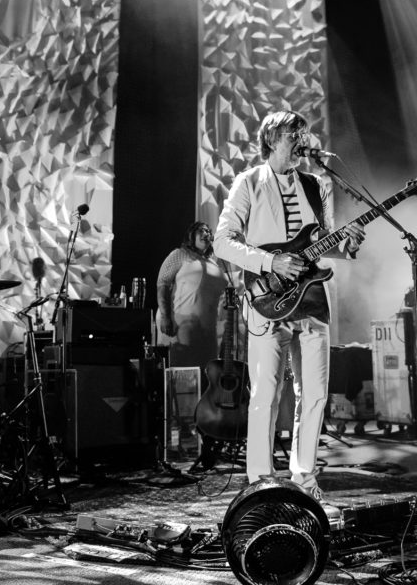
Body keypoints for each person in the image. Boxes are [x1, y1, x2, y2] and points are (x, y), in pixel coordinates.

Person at [213, 109, 365, 510]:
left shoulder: (317, 184)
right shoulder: (249, 182)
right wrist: (270, 262)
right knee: (266, 393)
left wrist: (346, 245)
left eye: (304, 133)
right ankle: (260, 483)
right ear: (270, 140)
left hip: (311, 300)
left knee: (314, 394)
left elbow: (323, 242)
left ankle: (305, 479)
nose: (301, 140)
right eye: (292, 134)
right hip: (267, 298)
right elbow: (222, 242)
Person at [156, 221, 239, 469]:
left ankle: (206, 446)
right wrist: (166, 316)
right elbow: (162, 284)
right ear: (190, 235)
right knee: (182, 389)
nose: (207, 233)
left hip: (208, 335)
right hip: (182, 328)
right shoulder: (179, 255)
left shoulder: (217, 263)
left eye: (209, 231)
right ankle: (179, 446)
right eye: (201, 230)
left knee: (206, 389)